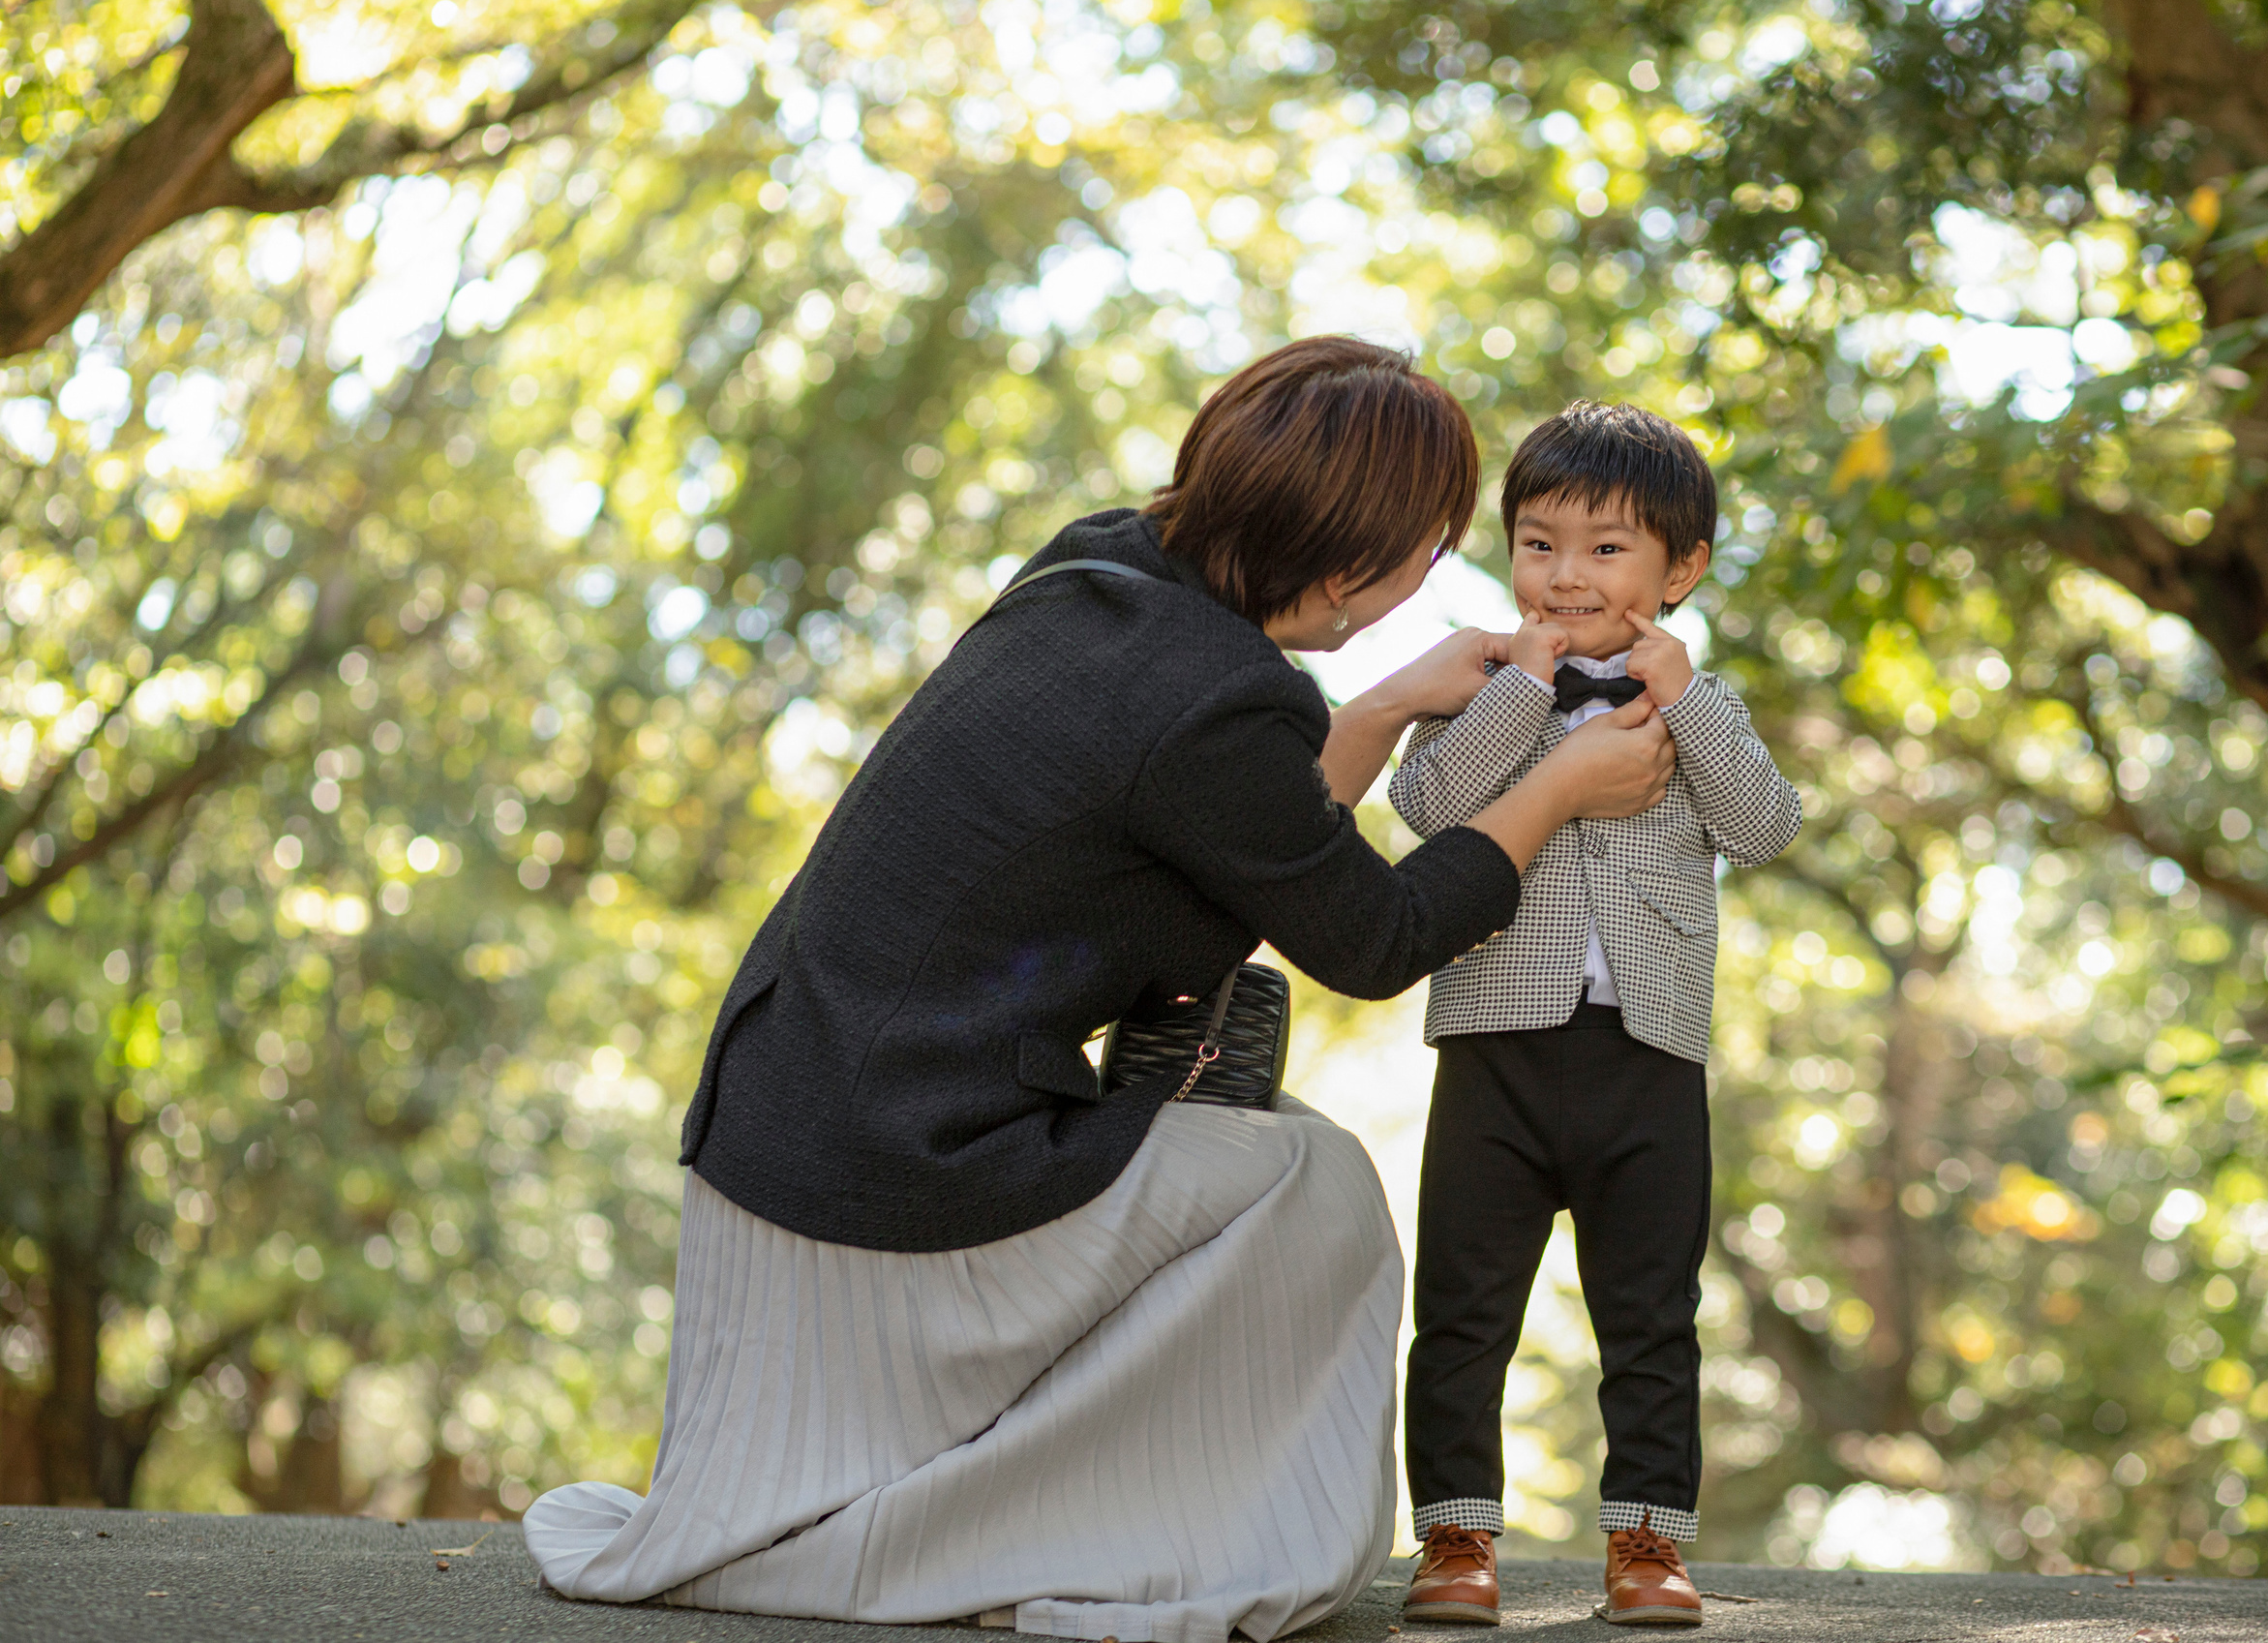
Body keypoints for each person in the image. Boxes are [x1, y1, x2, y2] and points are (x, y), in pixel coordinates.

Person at [522, 340, 1681, 1643]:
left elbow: (1245, 823)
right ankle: (1164, 1536)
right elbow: (1375, 933)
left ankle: (1092, 1502)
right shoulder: (1223, 704)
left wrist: (1389, 703)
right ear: (1356, 562)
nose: (1436, 578)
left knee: (1272, 1144)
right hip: (894, 1183)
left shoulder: (1099, 567)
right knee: (1320, 1185)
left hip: (780, 1141)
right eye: (1433, 548)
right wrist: (1558, 787)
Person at [1387, 403, 1802, 1628]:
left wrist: (1687, 696)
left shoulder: (1695, 707)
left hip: (1649, 1057)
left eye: (1606, 547)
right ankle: (1454, 1540)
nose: (1566, 572)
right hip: (1492, 1053)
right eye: (1538, 542)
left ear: (1680, 572)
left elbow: (1764, 828)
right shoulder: (1484, 688)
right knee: (1461, 1310)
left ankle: (1647, 1544)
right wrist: (1520, 689)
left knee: (1649, 1315)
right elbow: (1428, 805)